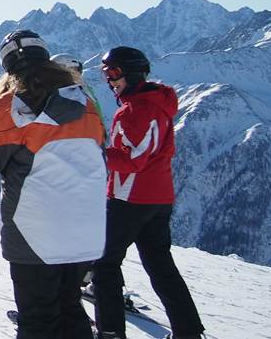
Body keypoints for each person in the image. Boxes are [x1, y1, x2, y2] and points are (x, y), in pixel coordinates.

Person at [0, 31, 106, 339]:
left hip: (36, 234)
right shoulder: (86, 102)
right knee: (70, 309)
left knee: (38, 319)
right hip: (87, 232)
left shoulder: (12, 108)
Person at [92, 47, 205, 339]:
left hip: (130, 199)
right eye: (105, 73)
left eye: (114, 73)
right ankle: (188, 332)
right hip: (158, 198)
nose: (109, 80)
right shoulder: (156, 104)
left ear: (132, 72)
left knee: (105, 265)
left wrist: (98, 152)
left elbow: (132, 160)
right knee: (160, 265)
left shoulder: (137, 110)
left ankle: (110, 333)